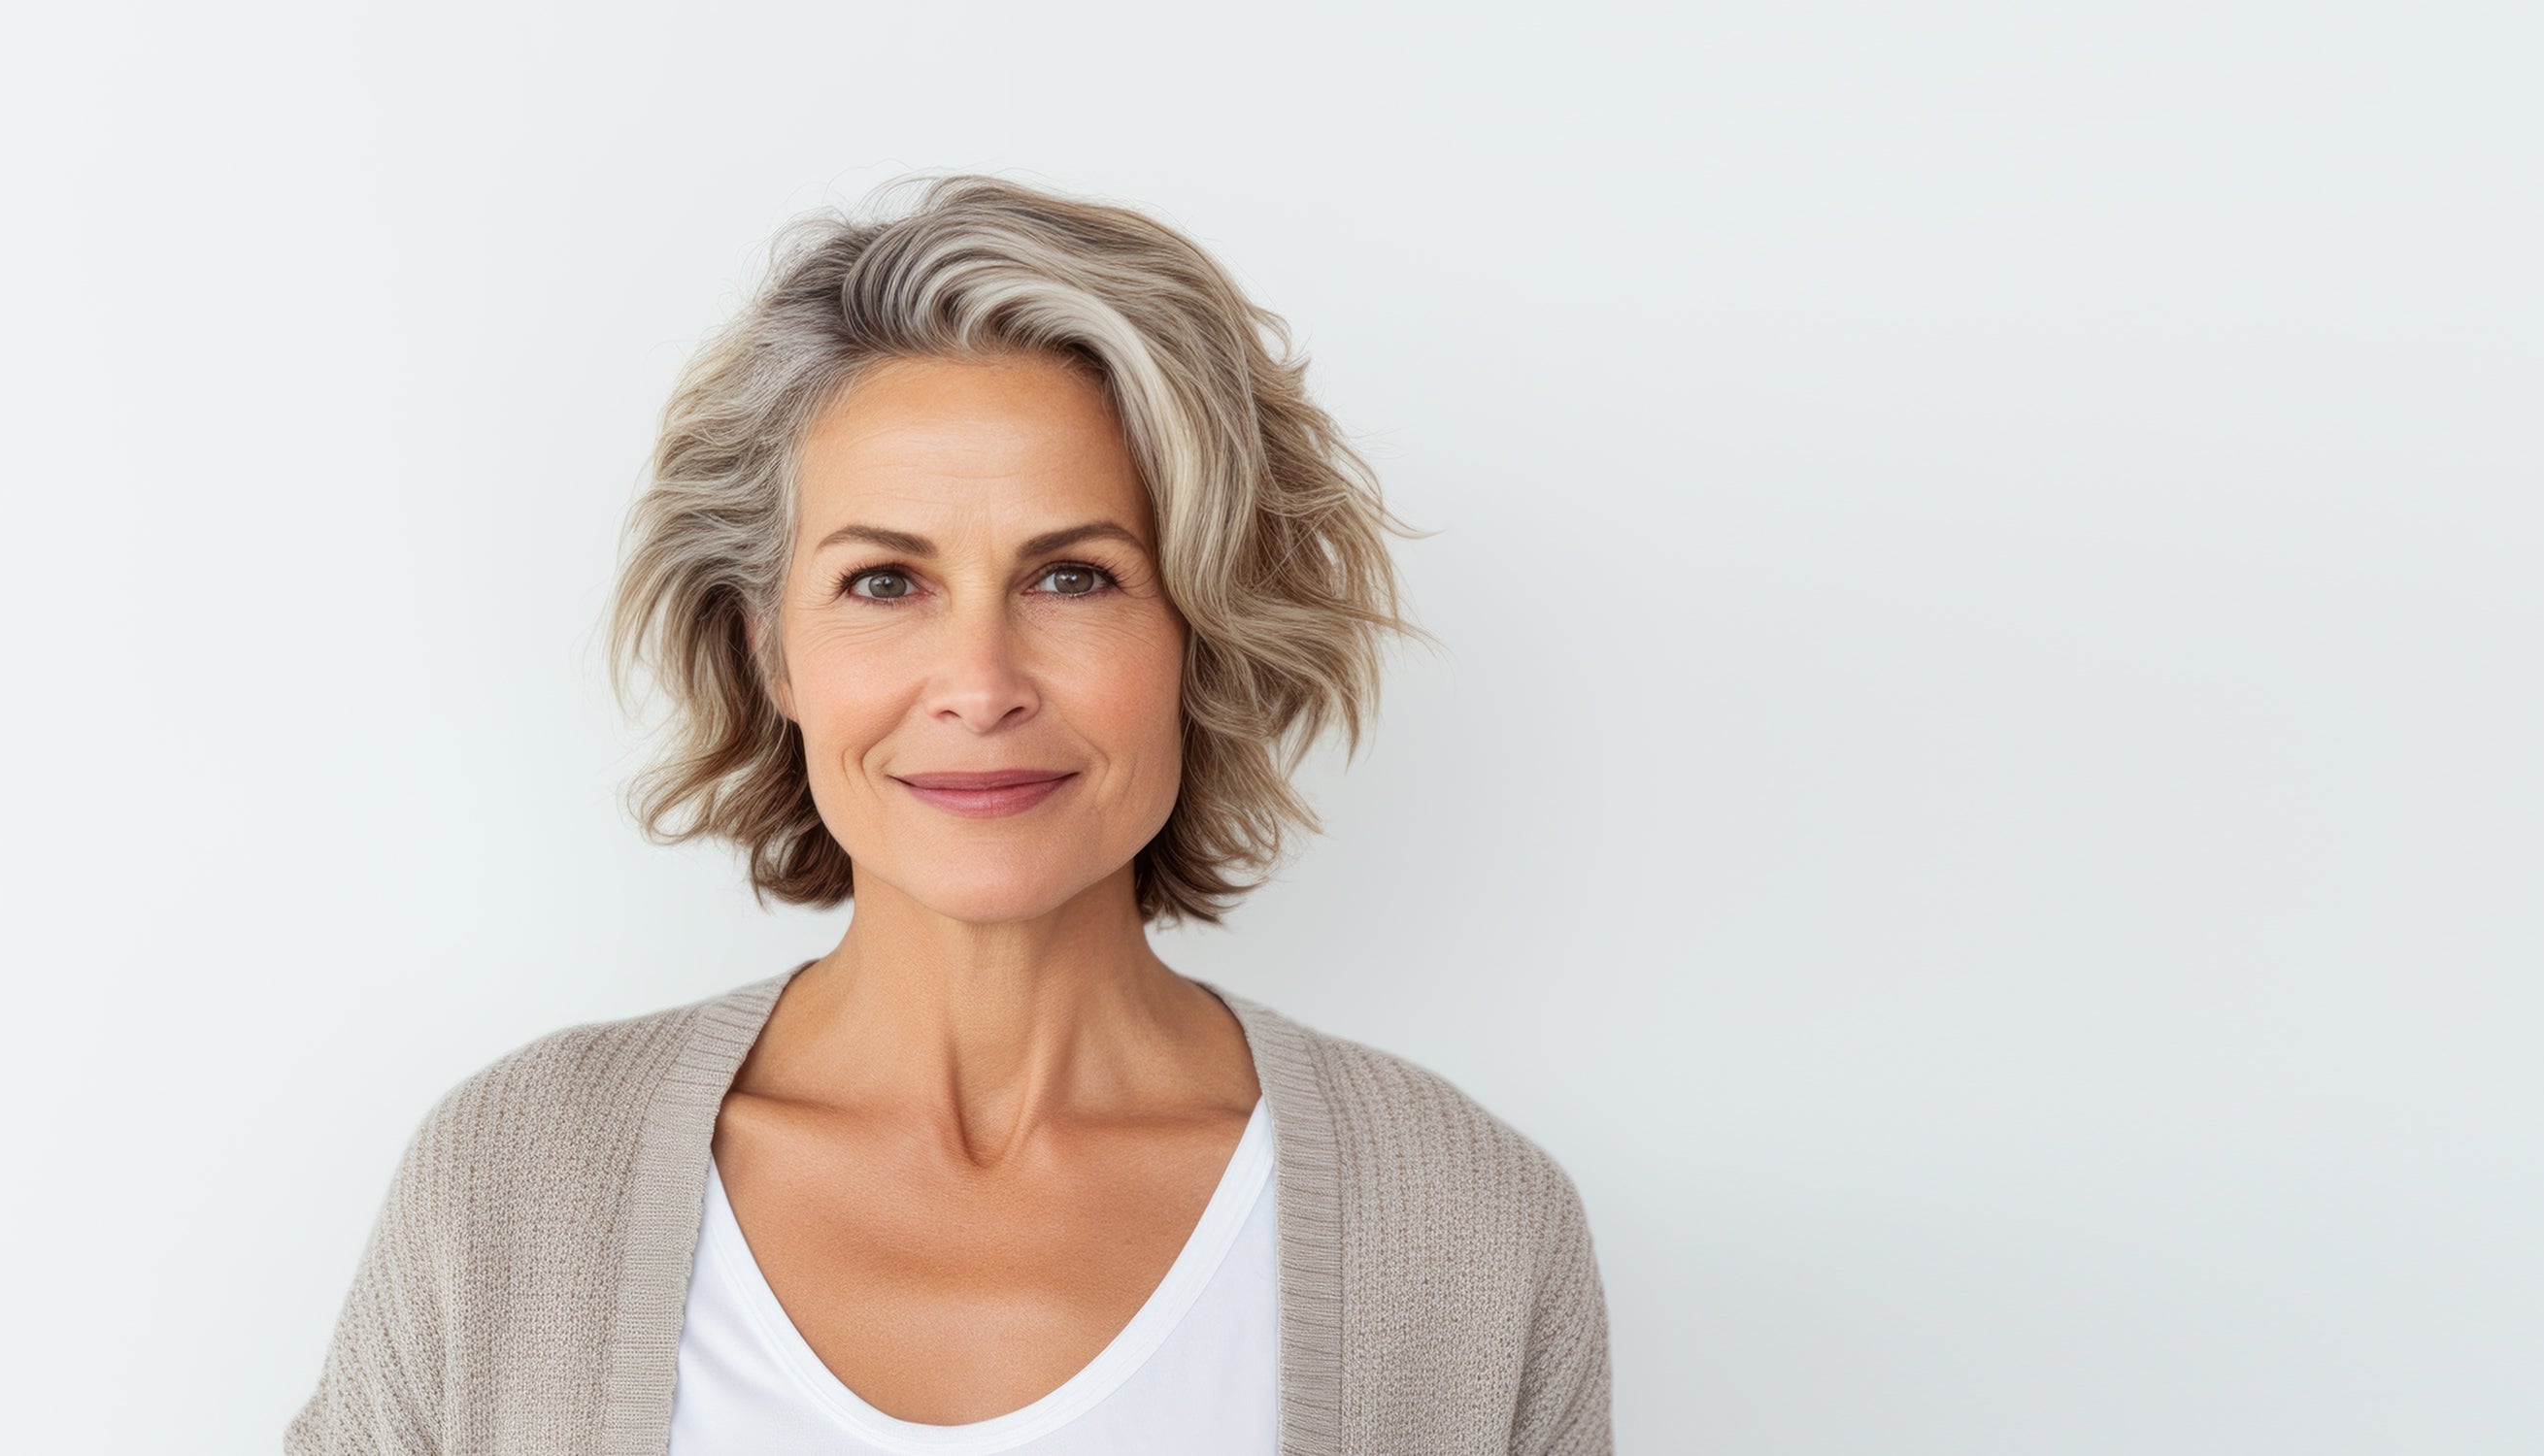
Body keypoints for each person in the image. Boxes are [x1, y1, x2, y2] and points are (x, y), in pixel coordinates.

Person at [286, 178, 1610, 1456]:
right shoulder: (514, 1187)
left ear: (1200, 636)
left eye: (1075, 576)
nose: (981, 687)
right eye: (883, 583)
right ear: (770, 653)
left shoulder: (1464, 1227)